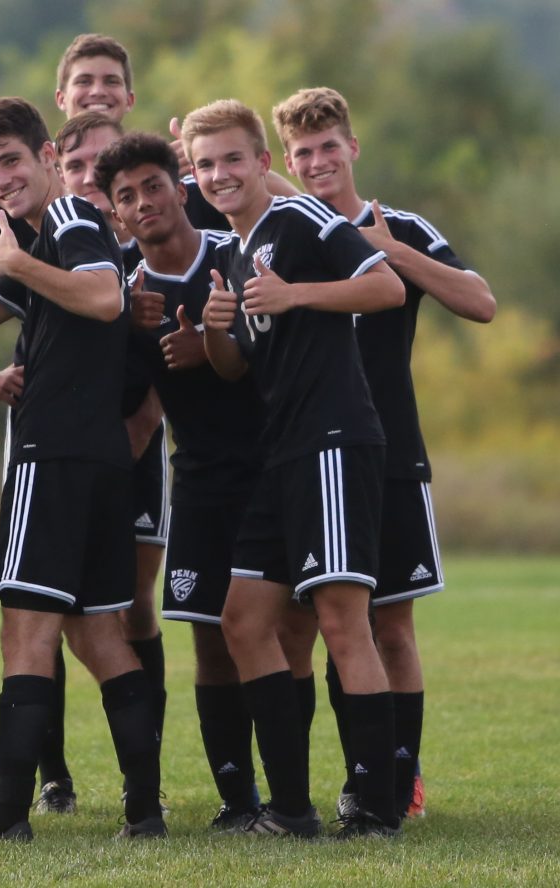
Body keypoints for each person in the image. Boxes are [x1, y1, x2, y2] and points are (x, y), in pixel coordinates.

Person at [270, 86, 496, 821]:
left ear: (352, 147)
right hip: (314, 456)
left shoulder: (399, 224)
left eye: (328, 146)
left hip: (393, 453)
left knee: (390, 626)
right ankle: (352, 780)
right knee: (328, 625)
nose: (316, 162)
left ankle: (400, 783)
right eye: (301, 152)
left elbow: (481, 302)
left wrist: (391, 252)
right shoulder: (289, 235)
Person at [186, 98, 406, 838]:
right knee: (243, 620)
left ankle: (377, 810)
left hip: (335, 440)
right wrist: (218, 332)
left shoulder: (306, 221)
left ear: (261, 162)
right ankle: (290, 809)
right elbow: (235, 368)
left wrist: (296, 293)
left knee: (345, 623)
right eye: (206, 163)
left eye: (232, 159)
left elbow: (386, 287)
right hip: (279, 455)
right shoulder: (231, 251)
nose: (220, 174)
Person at [0, 97, 164, 842]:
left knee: (25, 632)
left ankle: (10, 818)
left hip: (54, 457)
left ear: (47, 155)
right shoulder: (36, 238)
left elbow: (106, 298)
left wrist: (11, 261)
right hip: (97, 459)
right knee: (96, 634)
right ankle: (145, 810)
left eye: (11, 160)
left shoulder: (70, 221)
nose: (0, 178)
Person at [94, 131, 268, 830]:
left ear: (181, 186)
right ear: (116, 213)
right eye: (126, 196)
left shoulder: (237, 254)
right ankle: (238, 799)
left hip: (269, 473)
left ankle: (300, 792)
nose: (143, 203)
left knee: (279, 635)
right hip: (195, 478)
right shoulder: (125, 287)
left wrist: (216, 345)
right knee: (206, 634)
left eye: (154, 185)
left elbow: (283, 350)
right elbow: (117, 389)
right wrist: (124, 334)